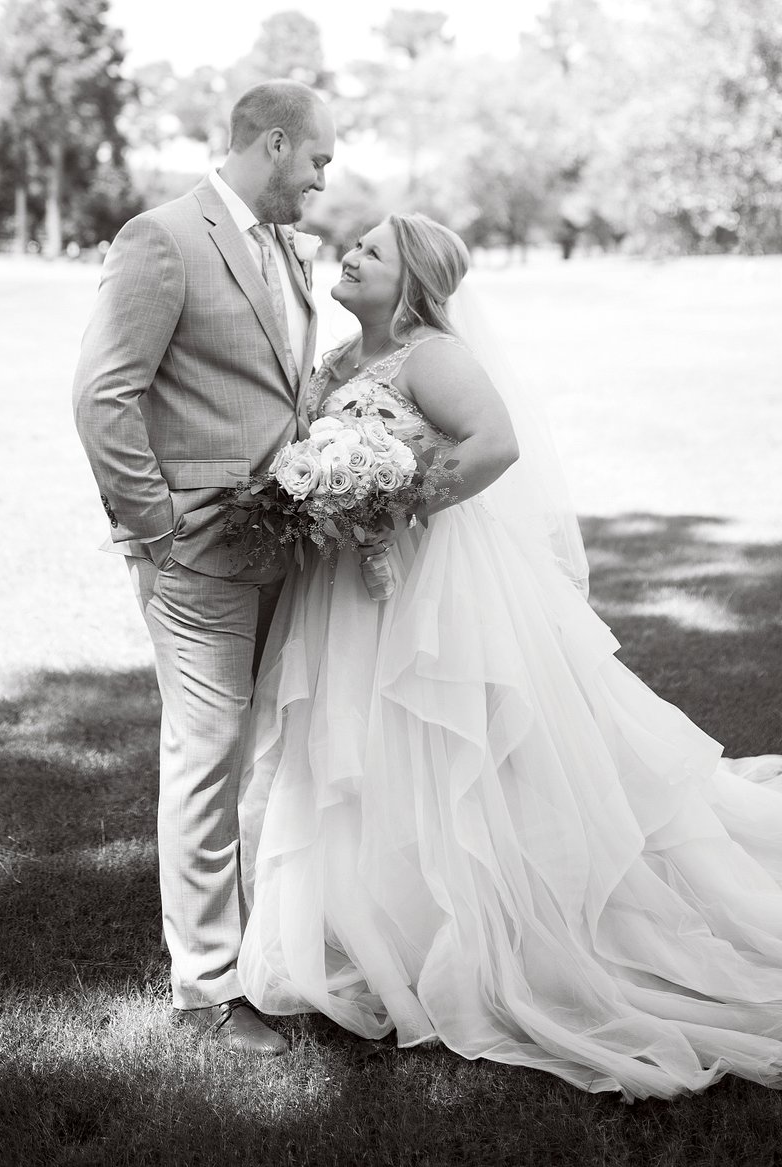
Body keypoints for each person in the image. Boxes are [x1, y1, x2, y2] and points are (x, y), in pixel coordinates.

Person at [236, 212, 782, 1100]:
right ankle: (384, 924)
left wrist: (395, 498)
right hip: (348, 587)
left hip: (432, 576)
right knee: (363, 748)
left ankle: (494, 925)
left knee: (459, 746)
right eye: (357, 244)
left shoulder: (430, 355)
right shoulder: (337, 358)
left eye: (371, 251)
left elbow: (496, 444)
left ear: (409, 283)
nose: (351, 253)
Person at [73, 79, 335, 1056]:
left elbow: (280, 392)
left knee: (265, 755)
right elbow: (104, 395)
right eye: (316, 161)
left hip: (287, 543)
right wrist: (153, 526)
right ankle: (208, 992)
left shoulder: (285, 247)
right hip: (194, 553)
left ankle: (271, 950)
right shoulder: (161, 237)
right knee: (204, 762)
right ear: (272, 144)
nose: (320, 182)